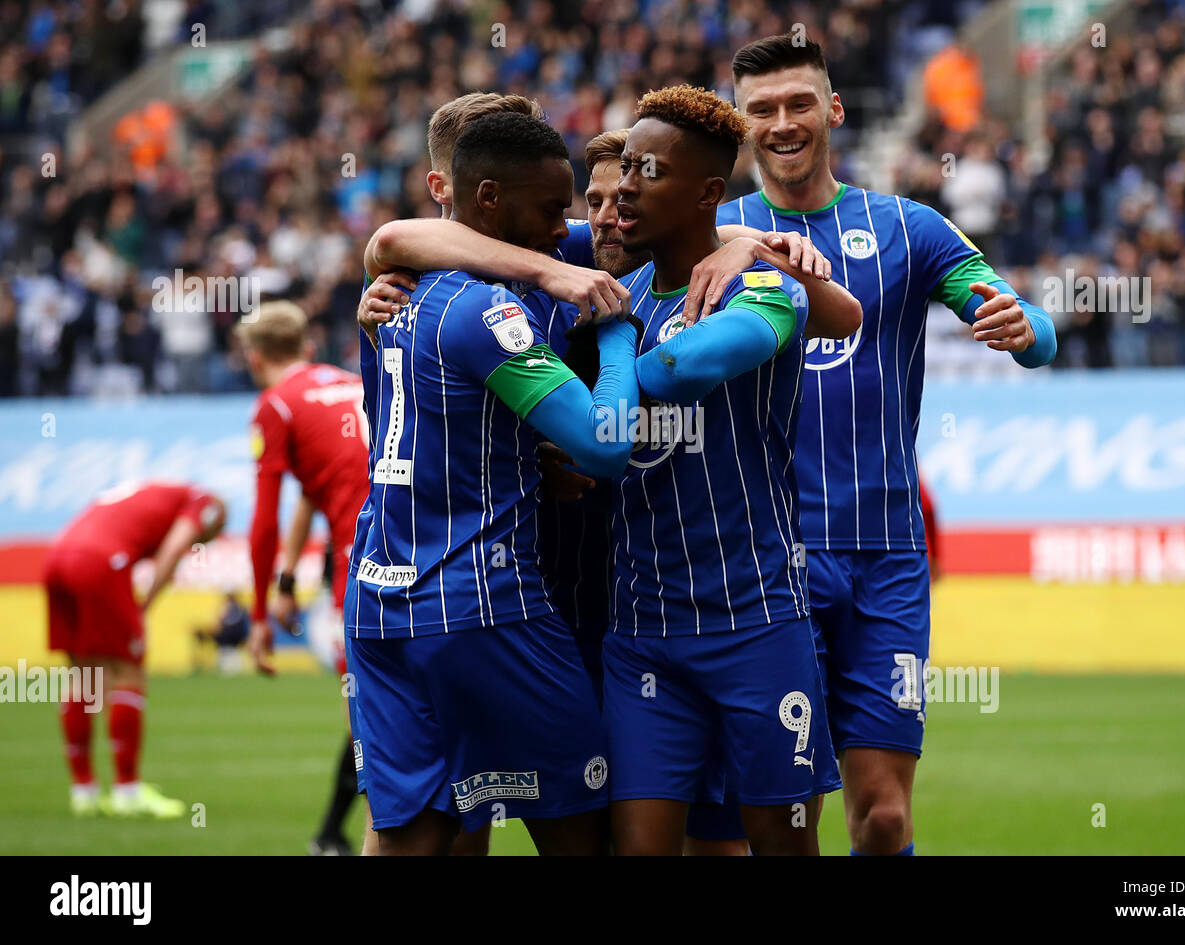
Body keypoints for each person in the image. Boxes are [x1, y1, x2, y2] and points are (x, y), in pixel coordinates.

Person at [716, 33, 1057, 855]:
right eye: (762, 109)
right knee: (782, 817)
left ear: (833, 110)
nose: (784, 122)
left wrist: (1021, 323)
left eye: (800, 103)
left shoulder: (907, 228)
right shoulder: (713, 233)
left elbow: (1037, 331)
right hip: (764, 560)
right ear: (741, 124)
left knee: (885, 816)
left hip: (883, 558)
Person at [345, 111, 644, 855]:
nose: (564, 226)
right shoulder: (488, 306)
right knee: (589, 831)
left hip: (378, 601)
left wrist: (515, 451)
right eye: (552, 209)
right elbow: (605, 446)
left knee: (421, 833)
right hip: (483, 602)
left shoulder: (401, 291)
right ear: (483, 199)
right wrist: (613, 331)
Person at [600, 84, 841, 856]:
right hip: (642, 633)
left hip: (756, 620)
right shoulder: (619, 286)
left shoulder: (765, 290)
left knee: (783, 842)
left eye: (649, 172)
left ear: (709, 193)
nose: (626, 187)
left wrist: (608, 342)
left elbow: (680, 368)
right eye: (625, 166)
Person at [236, 300, 372, 856]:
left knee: (367, 722)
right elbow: (320, 487)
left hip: (363, 571)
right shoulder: (351, 383)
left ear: (252, 358)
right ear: (307, 347)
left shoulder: (277, 406)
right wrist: (291, 580)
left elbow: (263, 522)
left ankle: (365, 839)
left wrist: (261, 618)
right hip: (424, 545)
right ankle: (333, 836)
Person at [44, 481, 225, 817]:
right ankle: (127, 791)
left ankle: (83, 792)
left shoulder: (139, 493)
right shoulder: (204, 503)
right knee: (128, 671)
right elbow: (173, 549)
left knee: (83, 674)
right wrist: (144, 607)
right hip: (99, 562)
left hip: (56, 559)